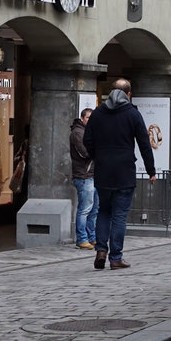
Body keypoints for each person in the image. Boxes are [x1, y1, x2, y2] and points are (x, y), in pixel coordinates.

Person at [84, 79, 156, 270]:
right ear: (129, 94)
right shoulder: (132, 113)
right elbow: (144, 144)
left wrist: (98, 157)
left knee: (103, 211)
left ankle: (100, 250)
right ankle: (115, 257)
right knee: (119, 216)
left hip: (103, 171)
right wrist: (151, 170)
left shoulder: (98, 113)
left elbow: (87, 139)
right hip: (124, 171)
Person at [70, 107, 98, 250]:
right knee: (84, 209)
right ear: (82, 118)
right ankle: (82, 238)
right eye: (88, 118)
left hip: (93, 175)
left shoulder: (90, 131)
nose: (90, 121)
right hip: (84, 175)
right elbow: (85, 153)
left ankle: (92, 237)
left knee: (94, 209)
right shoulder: (77, 132)